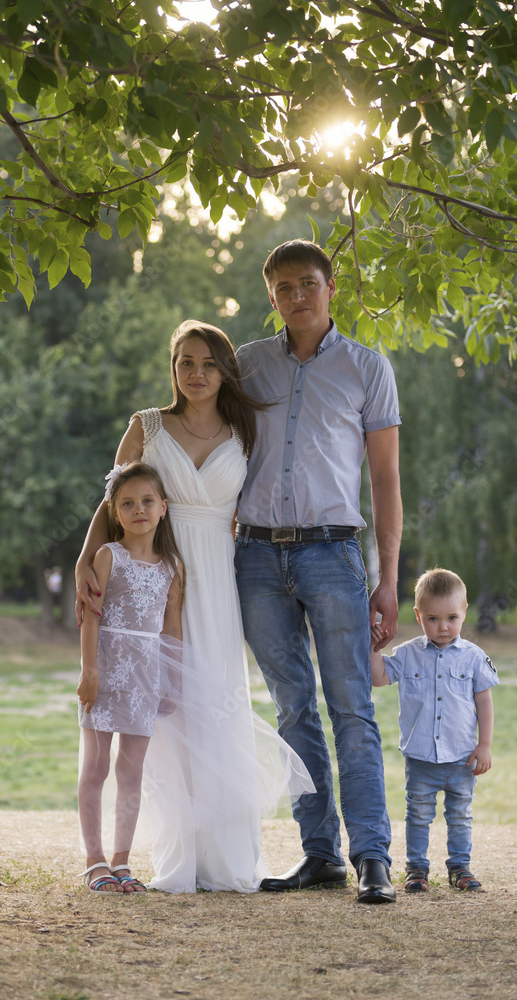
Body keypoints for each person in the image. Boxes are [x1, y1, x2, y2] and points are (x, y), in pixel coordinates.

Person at [76, 319, 314, 893]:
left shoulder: (245, 429)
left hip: (217, 578)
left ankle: (228, 854)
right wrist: (87, 557)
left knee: (215, 698)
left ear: (224, 369)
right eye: (186, 362)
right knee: (167, 715)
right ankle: (174, 856)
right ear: (173, 368)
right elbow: (114, 500)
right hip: (159, 570)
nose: (197, 373)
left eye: (208, 363)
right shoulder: (147, 425)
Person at [234, 239, 402, 903]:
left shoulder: (367, 368)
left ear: (330, 288)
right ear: (270, 296)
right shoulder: (246, 367)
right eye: (283, 287)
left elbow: (386, 479)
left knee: (351, 710)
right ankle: (318, 854)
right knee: (292, 711)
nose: (297, 296)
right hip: (253, 557)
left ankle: (371, 857)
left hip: (333, 555)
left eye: (308, 283)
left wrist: (388, 579)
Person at [77, 462, 184, 893]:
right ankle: (94, 860)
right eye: (127, 503)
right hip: (105, 672)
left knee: (131, 770)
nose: (138, 509)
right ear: (114, 512)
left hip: (145, 677)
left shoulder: (172, 567)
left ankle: (122, 860)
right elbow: (90, 617)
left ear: (163, 508)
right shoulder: (108, 557)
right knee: (96, 766)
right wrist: (90, 671)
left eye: (146, 501)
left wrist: (170, 682)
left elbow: (171, 628)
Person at [371, 568, 498, 893]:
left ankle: (460, 867)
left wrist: (484, 745)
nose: (443, 626)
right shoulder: (409, 654)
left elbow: (484, 703)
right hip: (421, 758)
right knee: (418, 816)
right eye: (432, 618)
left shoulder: (473, 658)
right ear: (418, 615)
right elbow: (379, 678)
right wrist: (373, 648)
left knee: (460, 817)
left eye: (451, 617)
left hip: (461, 758)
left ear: (464, 612)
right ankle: (416, 869)